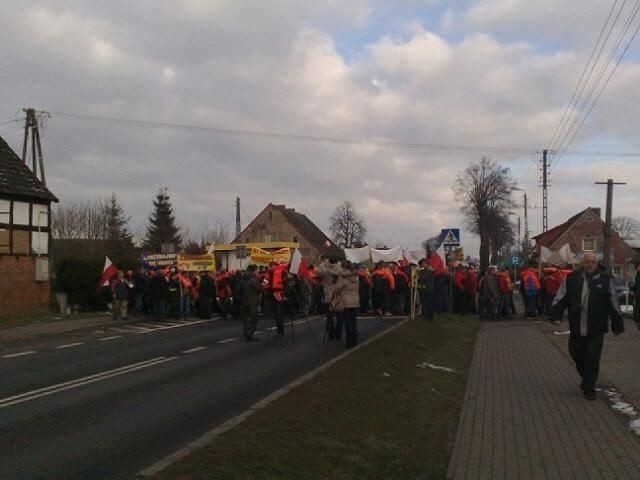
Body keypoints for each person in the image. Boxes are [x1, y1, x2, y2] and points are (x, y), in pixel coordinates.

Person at [550, 252, 624, 400]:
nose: (589, 264)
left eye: (592, 262)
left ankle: (589, 388)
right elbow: (561, 297)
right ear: (582, 264)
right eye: (587, 261)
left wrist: (617, 325)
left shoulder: (605, 279)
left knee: (592, 356)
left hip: (596, 327)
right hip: (577, 326)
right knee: (576, 354)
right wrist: (556, 316)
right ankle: (587, 379)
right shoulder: (572, 278)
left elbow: (613, 303)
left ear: (596, 264)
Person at [333, 261, 360, 348]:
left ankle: (349, 341)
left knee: (347, 322)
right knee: (353, 321)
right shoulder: (356, 276)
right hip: (355, 300)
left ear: (343, 268)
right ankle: (354, 340)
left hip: (346, 301)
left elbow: (336, 289)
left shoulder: (343, 277)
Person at [241, 265, 264, 341]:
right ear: (254, 271)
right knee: (253, 318)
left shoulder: (243, 278)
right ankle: (250, 335)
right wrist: (264, 284)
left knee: (246, 318)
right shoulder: (253, 279)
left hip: (245, 301)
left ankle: (247, 333)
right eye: (257, 270)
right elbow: (259, 289)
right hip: (253, 301)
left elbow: (238, 289)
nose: (258, 272)